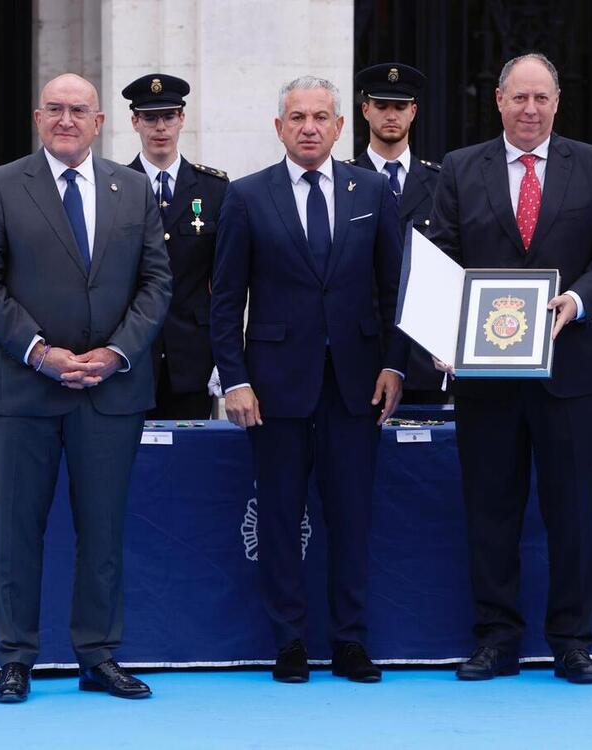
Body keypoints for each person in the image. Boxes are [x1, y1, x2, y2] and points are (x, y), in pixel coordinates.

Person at [0, 73, 172, 702]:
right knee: (17, 531)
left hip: (110, 392)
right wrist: (39, 351)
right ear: (37, 116)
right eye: (54, 108)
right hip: (23, 392)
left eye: (79, 110)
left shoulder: (132, 190)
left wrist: (115, 352)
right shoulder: (1, 185)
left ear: (100, 121)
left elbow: (156, 283)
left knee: (103, 530)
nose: (66, 119)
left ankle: (97, 654)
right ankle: (15, 657)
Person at [427, 53, 592, 683]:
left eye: (541, 98)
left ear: (556, 103)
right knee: (490, 511)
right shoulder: (462, 169)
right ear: (498, 101)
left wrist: (575, 301)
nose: (530, 110)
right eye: (519, 98)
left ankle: (572, 640)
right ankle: (496, 638)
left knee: (572, 512)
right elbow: (440, 258)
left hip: (568, 374)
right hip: (486, 382)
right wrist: (443, 333)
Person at [211, 75, 407, 684]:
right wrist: (234, 380)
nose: (309, 128)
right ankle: (289, 640)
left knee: (351, 515)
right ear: (279, 127)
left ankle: (349, 641)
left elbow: (394, 289)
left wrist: (394, 364)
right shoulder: (245, 196)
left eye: (321, 117)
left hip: (356, 384)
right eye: (297, 117)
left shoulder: (372, 191)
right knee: (279, 514)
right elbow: (224, 300)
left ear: (341, 126)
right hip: (273, 386)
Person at [122, 73, 229, 419]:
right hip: (132, 355)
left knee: (193, 463)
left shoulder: (214, 189)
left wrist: (226, 359)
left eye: (169, 116)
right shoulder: (114, 188)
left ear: (182, 118)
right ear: (135, 121)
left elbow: (227, 282)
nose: (160, 127)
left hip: (194, 357)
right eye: (150, 117)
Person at [348, 61, 446, 404]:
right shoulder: (341, 181)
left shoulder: (442, 183)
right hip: (359, 349)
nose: (391, 114)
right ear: (365, 109)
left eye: (400, 106)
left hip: (423, 354)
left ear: (413, 111)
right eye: (382, 105)